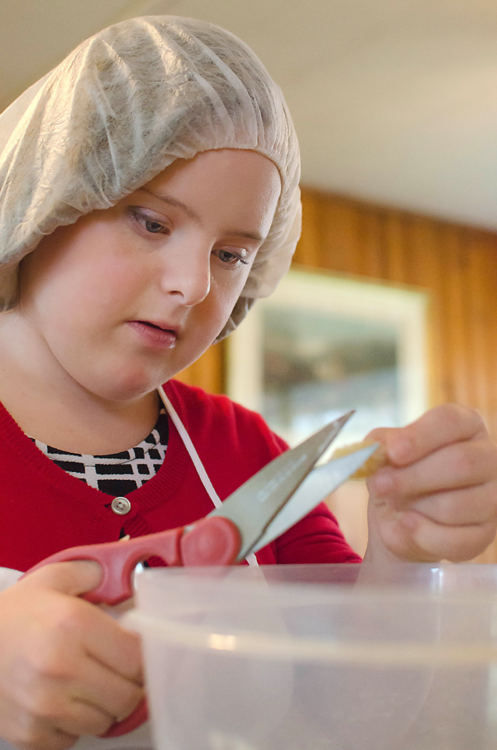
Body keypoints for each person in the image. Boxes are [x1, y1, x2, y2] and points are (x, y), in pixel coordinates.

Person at [0, 15, 495, 750]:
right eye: (151, 221)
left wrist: (401, 555)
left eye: (232, 255)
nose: (193, 284)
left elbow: (357, 716)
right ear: (50, 196)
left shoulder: (251, 454)